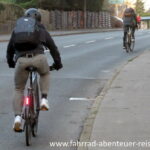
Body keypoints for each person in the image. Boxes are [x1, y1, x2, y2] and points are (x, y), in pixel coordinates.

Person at [6, 8, 63, 131]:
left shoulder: (17, 29)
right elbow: (53, 48)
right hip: (39, 59)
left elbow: (10, 49)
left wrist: (11, 63)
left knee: (19, 88)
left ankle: (17, 118)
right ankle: (43, 99)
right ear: (39, 19)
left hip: (21, 61)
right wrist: (57, 63)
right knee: (45, 73)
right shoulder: (41, 29)